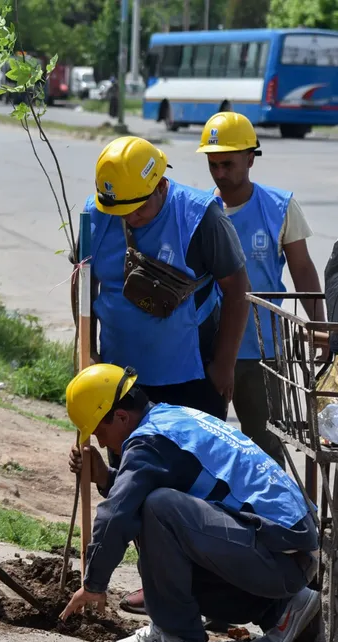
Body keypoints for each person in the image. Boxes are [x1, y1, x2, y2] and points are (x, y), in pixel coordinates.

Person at [87, 136, 251, 615]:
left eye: (138, 209)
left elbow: (236, 290)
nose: (130, 219)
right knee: (131, 486)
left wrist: (223, 365)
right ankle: (155, 580)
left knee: (189, 491)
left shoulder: (200, 218)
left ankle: (206, 588)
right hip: (123, 383)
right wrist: (89, 358)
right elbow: (86, 291)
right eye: (122, 211)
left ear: (160, 184)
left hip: (189, 378)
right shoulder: (97, 214)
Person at [62, 364, 319, 642]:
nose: (101, 442)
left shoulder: (149, 440)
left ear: (121, 416)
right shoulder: (170, 419)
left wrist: (93, 584)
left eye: (100, 432)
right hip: (286, 552)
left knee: (158, 507)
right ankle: (283, 610)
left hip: (280, 557)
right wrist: (106, 477)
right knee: (159, 518)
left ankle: (178, 636)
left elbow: (116, 514)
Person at [198, 112, 323, 469]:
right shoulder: (199, 210)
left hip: (262, 353)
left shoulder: (279, 207)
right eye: (213, 164)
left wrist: (318, 326)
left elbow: (302, 269)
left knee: (265, 449)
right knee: (204, 449)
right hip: (206, 350)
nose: (220, 172)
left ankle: (274, 507)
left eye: (228, 164)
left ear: (250, 158)